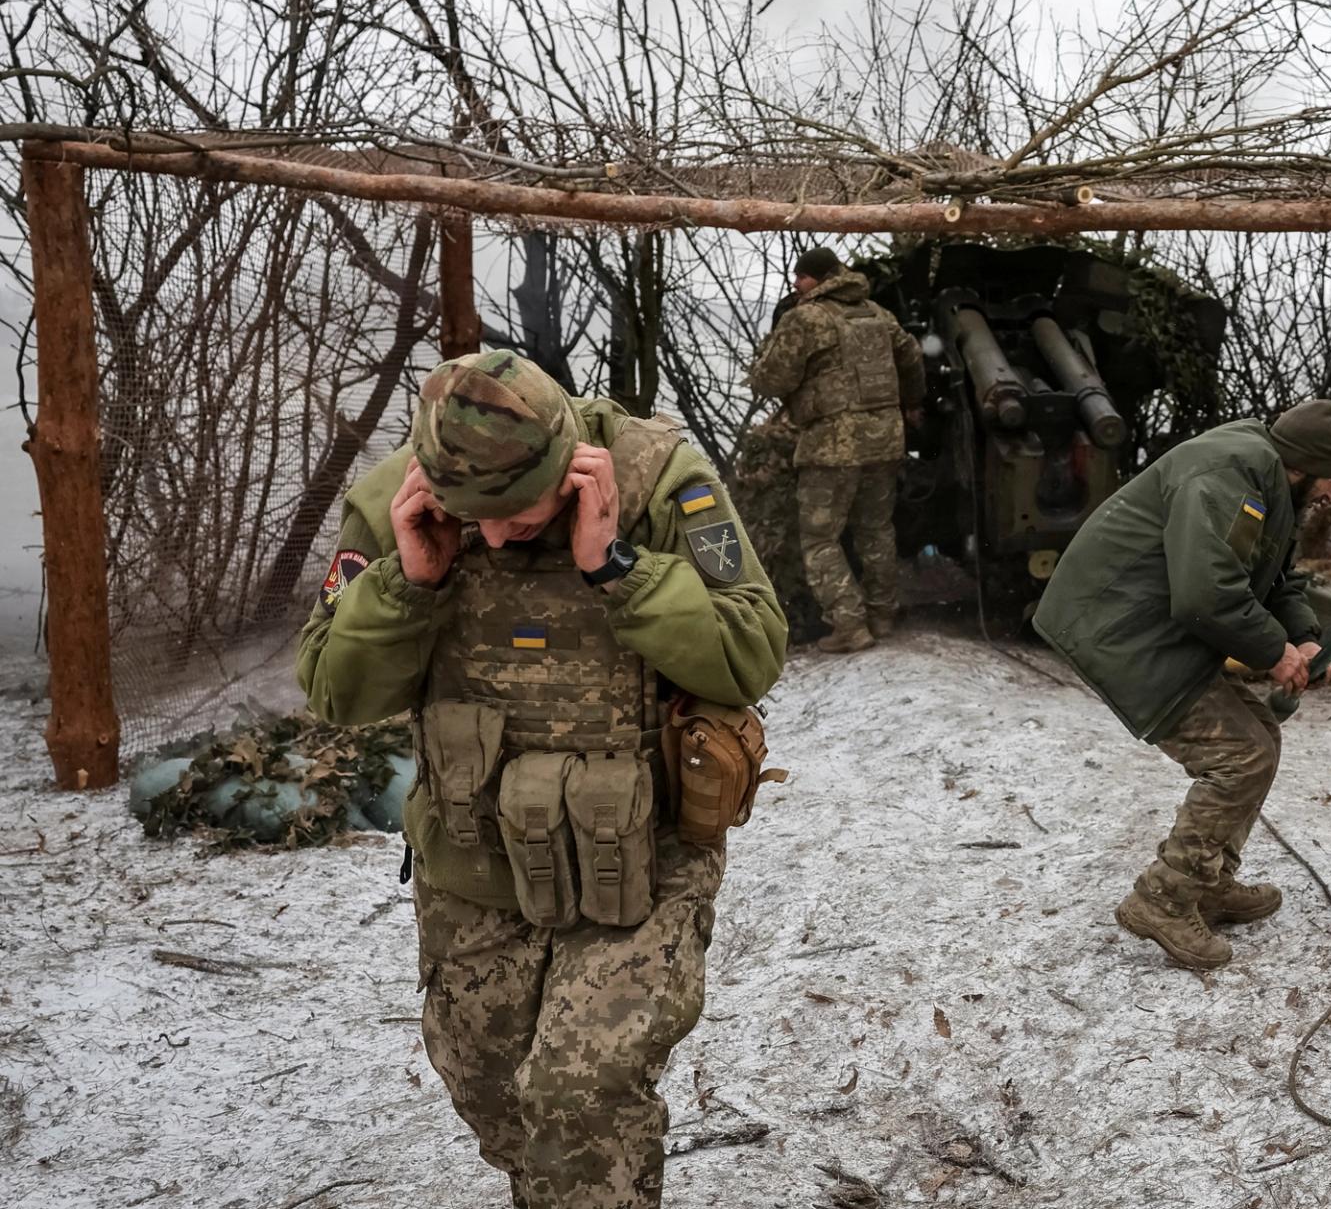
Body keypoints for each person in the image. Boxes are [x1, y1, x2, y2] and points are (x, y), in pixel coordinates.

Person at [295, 350, 787, 1208]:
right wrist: (409, 586)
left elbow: (750, 653)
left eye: (518, 517)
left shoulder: (660, 481)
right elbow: (335, 691)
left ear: (571, 466)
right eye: (469, 518)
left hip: (643, 854)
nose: (491, 539)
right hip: (473, 858)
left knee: (579, 1096)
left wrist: (618, 568)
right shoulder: (389, 505)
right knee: (492, 1097)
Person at [1032, 399, 1331, 971]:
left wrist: (1302, 638)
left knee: (1261, 738)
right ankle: (1162, 899)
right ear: (1304, 466)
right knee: (1240, 754)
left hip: (1154, 623)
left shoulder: (1266, 480)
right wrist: (1271, 653)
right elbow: (1207, 594)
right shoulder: (1229, 477)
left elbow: (1276, 578)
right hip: (1119, 624)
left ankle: (1207, 882)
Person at [748, 246, 925, 653]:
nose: (795, 283)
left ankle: (849, 624)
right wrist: (910, 403)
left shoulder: (805, 319)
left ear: (820, 278)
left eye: (801, 276)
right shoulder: (878, 314)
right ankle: (882, 616)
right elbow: (912, 356)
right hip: (884, 440)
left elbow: (770, 380)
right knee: (876, 529)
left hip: (832, 446)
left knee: (819, 538)